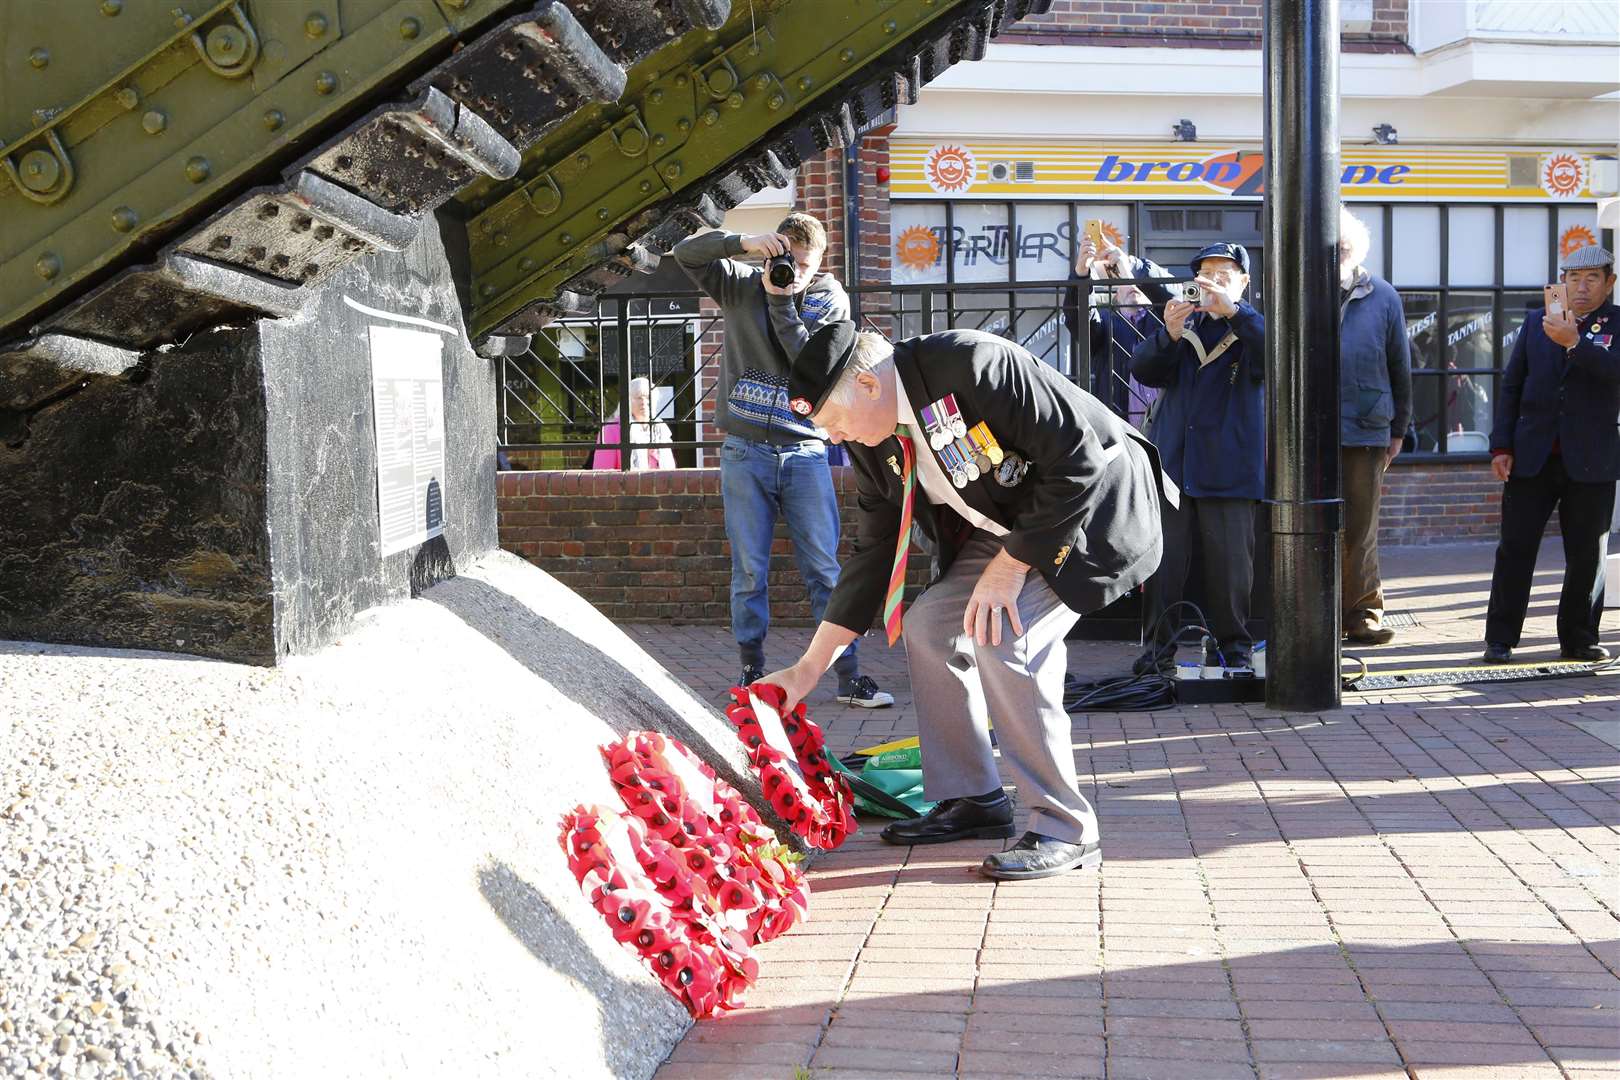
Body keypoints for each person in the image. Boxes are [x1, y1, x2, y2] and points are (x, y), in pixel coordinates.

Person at [758, 321, 1173, 879]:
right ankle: (975, 798)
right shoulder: (871, 438)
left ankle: (1065, 827)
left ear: (868, 384)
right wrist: (809, 669)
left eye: (832, 421)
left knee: (1005, 633)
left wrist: (1007, 569)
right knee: (930, 625)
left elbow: (1080, 458)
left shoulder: (972, 363)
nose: (833, 438)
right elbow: (874, 553)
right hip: (1009, 526)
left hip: (1090, 509)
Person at [673, 214, 892, 707]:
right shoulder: (741, 284)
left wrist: (780, 300)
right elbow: (686, 253)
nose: (798, 271)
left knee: (824, 569)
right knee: (749, 570)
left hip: (805, 450)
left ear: (820, 263)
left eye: (808, 264)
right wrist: (742, 243)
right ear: (775, 251)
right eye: (788, 259)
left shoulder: (828, 298)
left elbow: (810, 361)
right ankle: (752, 670)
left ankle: (849, 675)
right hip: (744, 450)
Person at [1129, 242, 1266, 672]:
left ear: (1244, 282)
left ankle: (1233, 649)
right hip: (1174, 466)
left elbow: (1278, 354)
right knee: (1163, 567)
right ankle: (1157, 652)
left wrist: (1235, 312)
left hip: (1229, 468)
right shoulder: (1184, 324)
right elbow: (1144, 369)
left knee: (1230, 571)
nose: (1211, 282)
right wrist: (1168, 334)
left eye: (1223, 274)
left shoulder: (1252, 327)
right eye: (1205, 274)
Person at [1482, 244, 1618, 664]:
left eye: (1592, 278)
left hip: (1592, 457)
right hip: (1532, 455)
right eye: (1573, 278)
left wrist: (1576, 342)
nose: (1581, 287)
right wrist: (1501, 446)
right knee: (1515, 548)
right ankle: (1500, 639)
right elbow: (1512, 386)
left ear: (1609, 283)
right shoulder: (1533, 323)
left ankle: (1578, 639)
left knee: (1586, 553)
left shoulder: (1617, 324)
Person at [1337, 208, 1413, 645]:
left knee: (1361, 528)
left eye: (1346, 244)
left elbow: (1400, 366)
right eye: (1335, 245)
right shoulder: (1300, 289)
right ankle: (1317, 610)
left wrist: (1398, 428)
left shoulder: (1383, 296)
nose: (1341, 252)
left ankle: (1363, 613)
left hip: (1366, 428)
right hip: (1308, 430)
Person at [1061, 232, 1173, 425]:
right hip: (1121, 429)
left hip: (1165, 426)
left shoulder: (1166, 319)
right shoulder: (1105, 323)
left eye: (1135, 280)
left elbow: (1175, 295)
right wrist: (1081, 275)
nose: (1132, 284)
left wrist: (1129, 264)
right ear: (1115, 296)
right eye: (1123, 280)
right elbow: (1079, 319)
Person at [590, 377, 676, 470]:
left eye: (648, 397)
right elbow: (603, 474)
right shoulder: (610, 430)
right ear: (627, 401)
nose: (644, 402)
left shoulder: (661, 429)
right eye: (638, 398)